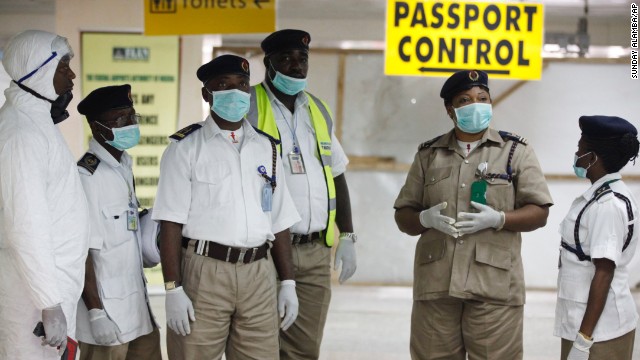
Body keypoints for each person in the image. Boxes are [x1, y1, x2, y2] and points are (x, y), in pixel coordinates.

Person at [393, 69, 553, 359]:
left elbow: (539, 211)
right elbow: (403, 213)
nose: (476, 104)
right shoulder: (429, 155)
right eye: (465, 100)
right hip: (437, 287)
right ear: (450, 110)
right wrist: (422, 220)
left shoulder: (515, 151)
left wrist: (500, 219)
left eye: (483, 98)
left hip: (494, 288)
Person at [152, 54, 301, 359]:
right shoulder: (185, 149)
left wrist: (288, 282)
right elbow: (170, 223)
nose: (235, 92)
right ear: (207, 94)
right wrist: (172, 289)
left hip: (259, 272)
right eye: (224, 84)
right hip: (205, 273)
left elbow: (280, 220)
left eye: (242, 84)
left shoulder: (267, 147)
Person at [246, 29, 357, 360]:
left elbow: (336, 174)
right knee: (262, 344)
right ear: (268, 64)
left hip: (314, 251)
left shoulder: (317, 110)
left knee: (305, 348)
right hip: (263, 250)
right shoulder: (248, 105)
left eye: (302, 59)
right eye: (286, 59)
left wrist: (348, 234)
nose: (296, 66)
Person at [0, 30, 90, 358]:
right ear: (37, 70)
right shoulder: (21, 132)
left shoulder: (38, 124)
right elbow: (26, 225)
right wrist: (48, 302)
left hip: (50, 291)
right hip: (33, 301)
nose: (72, 75)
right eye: (63, 66)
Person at [74, 84, 162, 360]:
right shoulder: (87, 176)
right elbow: (83, 251)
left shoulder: (123, 165)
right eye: (120, 119)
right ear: (97, 127)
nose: (130, 124)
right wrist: (96, 313)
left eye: (132, 116)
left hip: (138, 306)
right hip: (106, 316)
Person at [555, 115, 640, 360]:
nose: (576, 154)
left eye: (580, 149)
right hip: (585, 322)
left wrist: (583, 341)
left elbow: (604, 271)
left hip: (599, 332)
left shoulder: (608, 206)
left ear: (591, 158)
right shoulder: (602, 196)